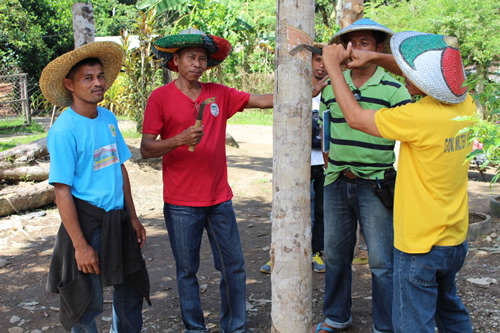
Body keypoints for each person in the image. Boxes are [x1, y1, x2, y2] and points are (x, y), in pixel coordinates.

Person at [322, 30, 475, 333]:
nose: (405, 73)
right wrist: (374, 56)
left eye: (411, 71)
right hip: (454, 239)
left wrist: (332, 66)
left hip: (420, 245)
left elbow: (354, 117)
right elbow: (430, 79)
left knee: (411, 324)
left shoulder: (416, 116)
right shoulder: (465, 106)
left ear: (428, 82)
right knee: (450, 310)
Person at [140, 28, 273, 333]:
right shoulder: (160, 98)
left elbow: (262, 101)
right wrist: (179, 139)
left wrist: (305, 90)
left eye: (202, 59)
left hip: (219, 200)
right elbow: (146, 149)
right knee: (187, 271)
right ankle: (194, 328)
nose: (198, 63)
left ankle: (235, 327)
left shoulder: (220, 94)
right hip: (180, 203)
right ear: (176, 61)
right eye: (191, 57)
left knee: (234, 268)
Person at [40, 41, 150, 332]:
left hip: (119, 220)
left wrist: (134, 217)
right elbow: (61, 190)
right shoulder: (64, 130)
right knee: (85, 302)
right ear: (70, 85)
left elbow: (120, 168)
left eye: (100, 76)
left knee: (130, 295)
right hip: (89, 224)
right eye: (88, 78)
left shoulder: (108, 118)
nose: (98, 82)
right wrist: (80, 246)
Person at [314, 19, 412, 333]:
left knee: (382, 262)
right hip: (337, 181)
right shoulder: (332, 84)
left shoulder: (394, 88)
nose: (356, 50)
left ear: (379, 49)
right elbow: (326, 125)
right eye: (351, 43)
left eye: (364, 43)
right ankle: (336, 317)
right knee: (336, 257)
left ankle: (385, 325)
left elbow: (405, 136)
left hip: (377, 184)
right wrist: (330, 159)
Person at [260, 43, 329, 274]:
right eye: (317, 60)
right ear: (308, 61)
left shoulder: (334, 91)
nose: (321, 66)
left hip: (325, 163)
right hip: (296, 161)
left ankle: (316, 252)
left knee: (321, 210)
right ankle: (280, 250)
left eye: (325, 60)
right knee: (289, 206)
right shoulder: (292, 88)